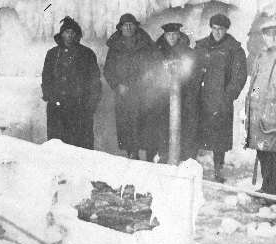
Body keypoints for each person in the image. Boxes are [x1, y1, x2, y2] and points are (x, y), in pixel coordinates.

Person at [194, 13, 247, 182]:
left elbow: (239, 76)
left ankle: (218, 171)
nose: (216, 33)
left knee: (219, 138)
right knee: (196, 132)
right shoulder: (201, 46)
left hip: (221, 101)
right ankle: (193, 169)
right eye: (214, 29)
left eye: (221, 29)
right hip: (201, 99)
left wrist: (228, 96)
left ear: (226, 30)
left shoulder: (234, 49)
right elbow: (193, 70)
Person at [103, 13, 159, 160]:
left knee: (147, 127)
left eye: (131, 24)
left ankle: (150, 161)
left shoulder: (146, 43)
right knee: (128, 127)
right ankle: (132, 158)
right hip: (125, 95)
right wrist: (117, 85)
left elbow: (156, 64)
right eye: (125, 25)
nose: (128, 27)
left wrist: (149, 81)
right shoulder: (115, 46)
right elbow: (108, 69)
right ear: (120, 28)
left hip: (145, 93)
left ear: (136, 26)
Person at [41, 16, 102, 149]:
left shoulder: (87, 54)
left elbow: (95, 81)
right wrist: (50, 97)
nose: (69, 35)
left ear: (77, 35)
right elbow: (46, 78)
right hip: (57, 108)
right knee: (57, 145)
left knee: (81, 146)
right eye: (67, 31)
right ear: (61, 34)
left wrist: (91, 104)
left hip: (80, 108)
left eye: (73, 32)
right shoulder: (52, 54)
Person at [245, 19, 276, 199]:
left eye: (275, 35)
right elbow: (256, 84)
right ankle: (269, 188)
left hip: (275, 114)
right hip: (260, 115)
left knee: (275, 154)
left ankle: (273, 191)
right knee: (264, 153)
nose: (271, 39)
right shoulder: (261, 57)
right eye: (268, 35)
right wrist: (253, 102)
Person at [153, 22, 196, 163]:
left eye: (174, 34)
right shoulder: (158, 52)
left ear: (179, 35)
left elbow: (193, 74)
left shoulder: (188, 52)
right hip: (163, 98)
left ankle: (182, 159)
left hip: (183, 97)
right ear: (164, 36)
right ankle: (165, 157)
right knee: (163, 129)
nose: (171, 38)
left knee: (183, 129)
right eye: (169, 35)